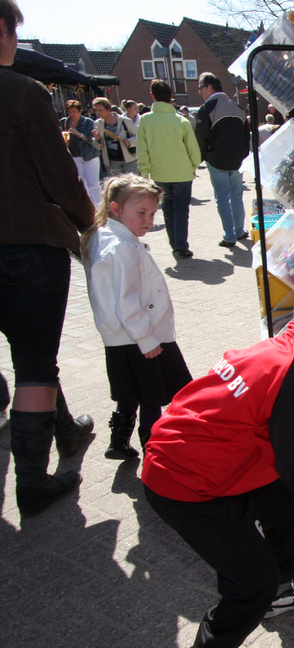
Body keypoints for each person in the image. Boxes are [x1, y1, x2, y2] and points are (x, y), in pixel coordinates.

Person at [141, 262, 294, 647]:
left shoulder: (281, 349)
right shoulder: (292, 373)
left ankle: (283, 587)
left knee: (287, 498)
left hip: (199, 457)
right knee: (252, 584)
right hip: (184, 484)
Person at [0, 0, 96, 516]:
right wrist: (91, 224)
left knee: (29, 351)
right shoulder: (21, 92)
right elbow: (60, 177)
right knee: (35, 364)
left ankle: (65, 430)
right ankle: (33, 483)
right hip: (24, 243)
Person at [80, 174, 193, 459]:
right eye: (141, 213)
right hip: (142, 337)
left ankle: (119, 442)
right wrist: (146, 338)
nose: (148, 220)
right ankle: (155, 451)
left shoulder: (103, 236)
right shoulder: (122, 247)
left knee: (129, 392)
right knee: (151, 396)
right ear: (116, 208)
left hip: (120, 338)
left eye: (152, 214)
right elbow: (126, 300)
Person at [137, 78, 202, 259]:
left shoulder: (145, 120)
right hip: (182, 173)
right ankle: (181, 244)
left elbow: (142, 148)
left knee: (167, 208)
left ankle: (174, 244)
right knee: (181, 209)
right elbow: (193, 149)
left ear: (152, 96)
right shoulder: (181, 121)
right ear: (171, 96)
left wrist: (144, 171)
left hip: (160, 173)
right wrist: (193, 166)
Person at [195, 72, 250, 248]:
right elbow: (246, 137)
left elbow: (201, 137)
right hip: (237, 161)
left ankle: (229, 235)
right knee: (236, 196)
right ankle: (239, 230)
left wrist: (203, 156)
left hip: (216, 160)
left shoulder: (207, 109)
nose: (199, 91)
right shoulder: (238, 108)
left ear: (209, 88)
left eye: (201, 88)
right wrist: (243, 156)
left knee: (222, 198)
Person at [60, 99, 103, 206]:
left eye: (74, 111)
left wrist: (79, 134)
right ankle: (87, 207)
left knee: (93, 184)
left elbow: (92, 140)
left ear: (79, 111)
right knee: (80, 184)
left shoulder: (88, 122)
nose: (71, 114)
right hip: (74, 156)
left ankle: (99, 207)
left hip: (90, 156)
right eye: (69, 111)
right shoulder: (63, 122)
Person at [92, 96, 138, 176]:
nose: (98, 113)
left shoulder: (125, 121)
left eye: (100, 110)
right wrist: (97, 139)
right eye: (96, 110)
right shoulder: (98, 124)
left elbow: (138, 137)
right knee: (116, 183)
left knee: (132, 182)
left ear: (108, 109)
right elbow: (98, 147)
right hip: (112, 162)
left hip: (129, 160)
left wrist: (129, 142)